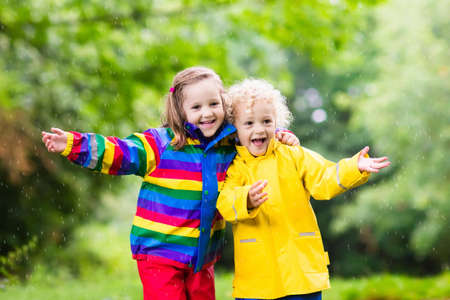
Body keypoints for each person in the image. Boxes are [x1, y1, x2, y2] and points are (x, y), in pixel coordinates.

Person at [41, 67, 299, 300]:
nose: (207, 113)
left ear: (224, 103)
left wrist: (280, 136)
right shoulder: (161, 144)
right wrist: (74, 145)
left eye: (213, 104)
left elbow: (255, 131)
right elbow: (119, 152)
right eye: (196, 107)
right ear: (180, 110)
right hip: (159, 253)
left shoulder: (229, 145)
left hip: (201, 256)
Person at [216, 79, 391, 300]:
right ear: (235, 128)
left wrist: (353, 167)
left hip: (301, 273)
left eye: (266, 121)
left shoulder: (294, 154)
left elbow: (324, 178)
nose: (259, 129)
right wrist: (245, 200)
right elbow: (224, 203)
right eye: (249, 123)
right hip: (258, 280)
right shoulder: (235, 167)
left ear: (277, 123)